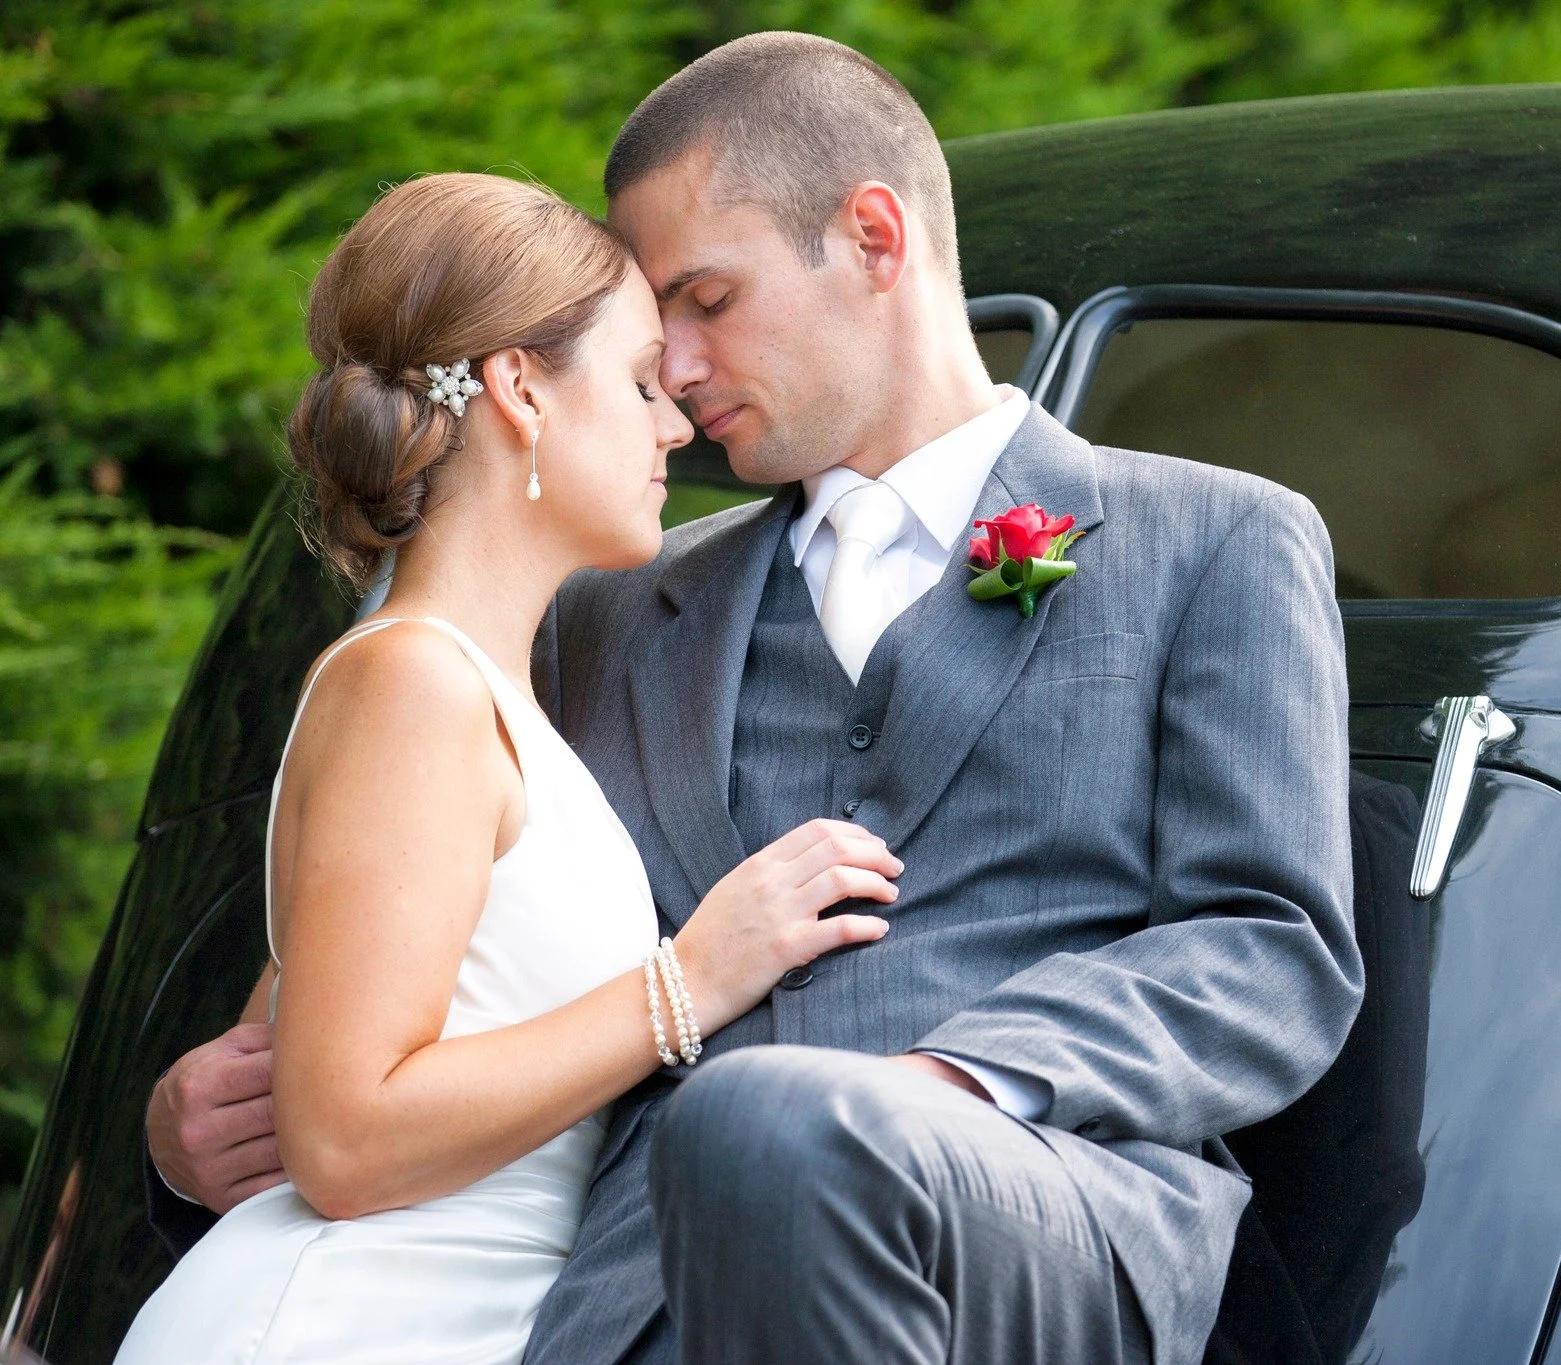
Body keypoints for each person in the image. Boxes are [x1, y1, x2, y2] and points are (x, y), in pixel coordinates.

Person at [143, 31, 1361, 1365]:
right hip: (638, 1284)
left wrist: (948, 1086)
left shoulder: (1215, 538)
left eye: (707, 299)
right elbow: (403, 947)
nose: (672, 363)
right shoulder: (603, 608)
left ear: (875, 238)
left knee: (777, 1126)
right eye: (653, 323)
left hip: (1038, 1217)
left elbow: (1269, 944)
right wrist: (195, 1122)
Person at [118, 171, 902, 1362]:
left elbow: (297, 1056)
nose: (674, 424)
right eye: (640, 382)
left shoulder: (493, 692)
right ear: (520, 388)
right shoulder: (412, 685)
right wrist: (689, 981)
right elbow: (342, 1141)